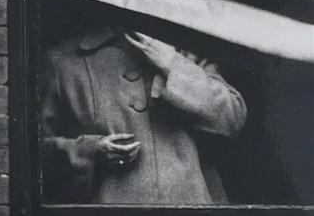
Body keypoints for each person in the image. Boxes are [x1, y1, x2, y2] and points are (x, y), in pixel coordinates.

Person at [40, 26, 246, 204]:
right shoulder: (64, 60)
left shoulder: (187, 52)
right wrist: (91, 152)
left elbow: (233, 118)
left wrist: (173, 64)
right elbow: (34, 153)